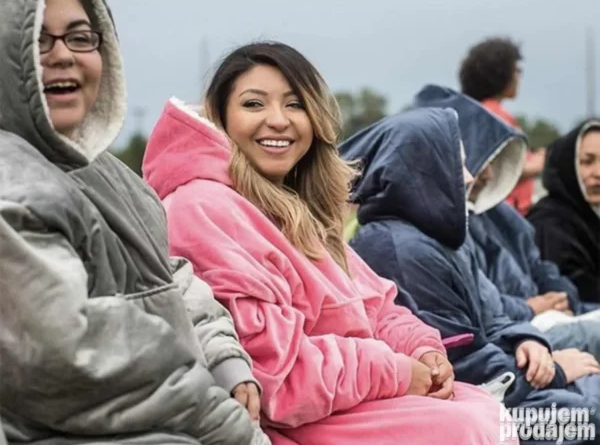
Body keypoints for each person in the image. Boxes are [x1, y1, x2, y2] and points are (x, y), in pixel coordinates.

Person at [142, 41, 513, 445]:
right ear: (221, 118)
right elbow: (274, 376)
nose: (278, 120)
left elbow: (377, 307)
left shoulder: (297, 209)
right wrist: (397, 371)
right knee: (472, 429)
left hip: (352, 399)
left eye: (295, 104)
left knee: (491, 415)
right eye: (253, 104)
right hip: (290, 422)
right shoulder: (202, 207)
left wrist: (424, 350)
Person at [0, 0, 262, 444]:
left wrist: (226, 359)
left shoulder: (109, 174)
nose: (63, 55)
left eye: (81, 37)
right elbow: (74, 362)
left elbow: (169, 277)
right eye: (36, 38)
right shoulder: (11, 189)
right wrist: (222, 425)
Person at [341, 107, 600, 444]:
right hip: (484, 403)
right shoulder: (399, 249)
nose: (468, 176)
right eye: (456, 163)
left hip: (508, 382)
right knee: (588, 418)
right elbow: (460, 364)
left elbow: (493, 317)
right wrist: (556, 371)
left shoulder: (440, 237)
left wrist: (526, 339)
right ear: (423, 170)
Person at [413, 85, 600, 355]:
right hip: (513, 338)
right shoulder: (439, 229)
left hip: (543, 321)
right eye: (478, 160)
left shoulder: (500, 213)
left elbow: (541, 267)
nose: (487, 174)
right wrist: (532, 308)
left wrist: (561, 296)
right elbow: (482, 311)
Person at [459, 36, 545, 215]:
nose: (519, 77)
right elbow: (507, 167)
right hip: (506, 209)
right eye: (516, 70)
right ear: (500, 73)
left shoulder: (477, 111)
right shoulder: (494, 115)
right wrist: (542, 161)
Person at [528, 121, 600, 303]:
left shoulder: (591, 217)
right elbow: (571, 289)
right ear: (568, 165)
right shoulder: (549, 223)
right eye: (587, 161)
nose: (598, 172)